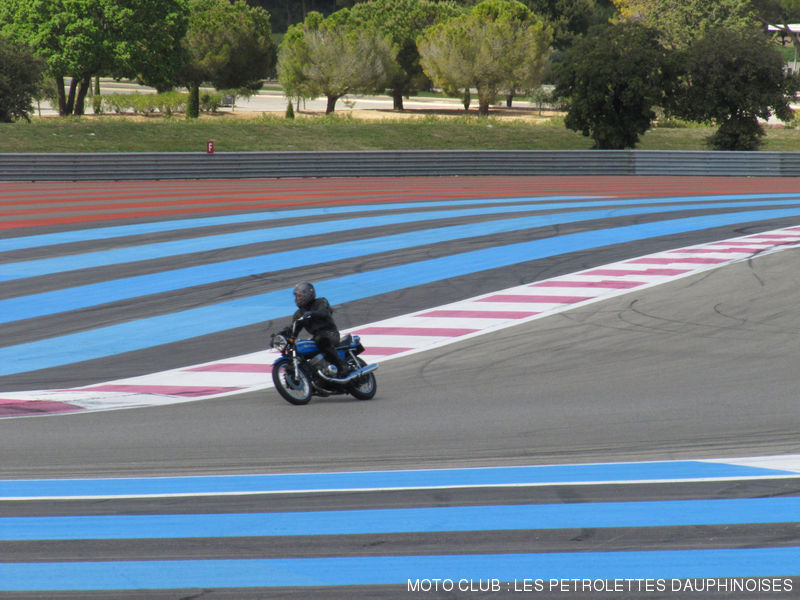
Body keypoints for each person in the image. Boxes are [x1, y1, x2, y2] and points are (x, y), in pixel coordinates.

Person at [291, 281, 350, 377]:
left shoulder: (320, 302)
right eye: (296, 296)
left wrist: (312, 313)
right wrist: (281, 336)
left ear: (308, 295)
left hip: (330, 333)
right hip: (316, 337)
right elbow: (293, 329)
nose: (297, 299)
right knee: (301, 349)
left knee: (321, 340)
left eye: (300, 296)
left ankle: (341, 366)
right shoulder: (299, 313)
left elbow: (324, 312)